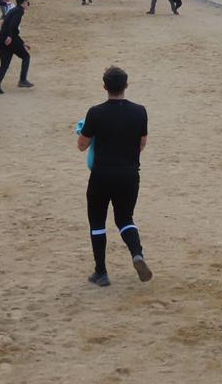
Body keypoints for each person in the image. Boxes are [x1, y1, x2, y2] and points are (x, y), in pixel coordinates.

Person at [77, 66, 152, 287]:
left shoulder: (95, 112)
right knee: (125, 219)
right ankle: (137, 253)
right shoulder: (140, 111)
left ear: (104, 86)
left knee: (98, 221)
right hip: (129, 174)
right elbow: (142, 144)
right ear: (126, 85)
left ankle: (101, 272)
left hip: (101, 175)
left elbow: (82, 145)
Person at [0, 0, 33, 95]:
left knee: (4, 65)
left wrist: (22, 43)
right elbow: (13, 26)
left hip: (2, 38)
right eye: (27, 1)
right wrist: (10, 37)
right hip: (10, 39)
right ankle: (22, 80)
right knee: (26, 56)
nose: (28, 3)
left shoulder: (14, 10)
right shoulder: (19, 11)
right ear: (23, 2)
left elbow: (9, 25)